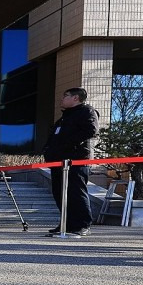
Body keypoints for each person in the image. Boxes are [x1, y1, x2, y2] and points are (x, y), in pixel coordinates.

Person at [43, 87, 99, 236]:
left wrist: (68, 144)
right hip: (59, 162)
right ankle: (66, 223)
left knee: (76, 192)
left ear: (76, 98)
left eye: (65, 95)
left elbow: (91, 131)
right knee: (60, 193)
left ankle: (82, 224)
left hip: (76, 160)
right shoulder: (65, 117)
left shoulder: (86, 112)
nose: (62, 99)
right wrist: (48, 151)